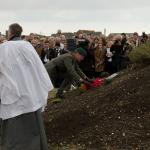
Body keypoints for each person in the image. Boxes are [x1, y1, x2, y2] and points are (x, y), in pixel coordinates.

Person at [0, 23, 53, 150]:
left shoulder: (4, 47)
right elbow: (37, 67)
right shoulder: (27, 45)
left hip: (14, 88)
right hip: (30, 89)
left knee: (14, 123)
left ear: (11, 33)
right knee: (33, 120)